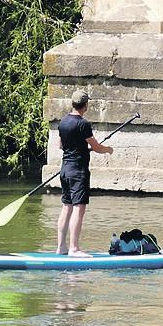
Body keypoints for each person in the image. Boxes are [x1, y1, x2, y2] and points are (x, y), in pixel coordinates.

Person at [54, 93, 113, 256]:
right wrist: (108, 149)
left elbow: (60, 145)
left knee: (66, 207)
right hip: (78, 171)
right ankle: (74, 248)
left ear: (73, 103)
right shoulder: (83, 124)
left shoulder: (63, 121)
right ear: (85, 105)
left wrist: (79, 147)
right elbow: (97, 147)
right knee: (79, 208)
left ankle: (61, 247)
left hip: (65, 170)